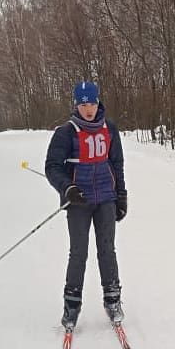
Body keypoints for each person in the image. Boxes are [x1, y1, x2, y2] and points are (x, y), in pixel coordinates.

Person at [45, 80, 127, 330]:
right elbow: (52, 167)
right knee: (78, 253)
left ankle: (112, 300)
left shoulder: (109, 128)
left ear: (98, 101)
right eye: (83, 104)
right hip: (79, 201)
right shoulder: (66, 132)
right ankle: (72, 305)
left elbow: (117, 164)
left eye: (91, 103)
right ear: (76, 105)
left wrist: (121, 195)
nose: (88, 109)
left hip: (105, 199)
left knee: (107, 250)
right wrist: (67, 188)